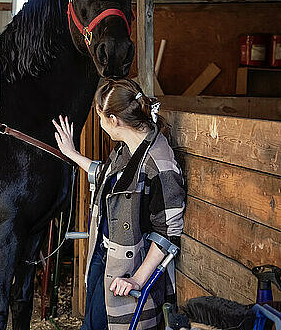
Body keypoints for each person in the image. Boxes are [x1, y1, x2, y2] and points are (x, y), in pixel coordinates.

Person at [53, 78, 186, 330]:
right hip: (105, 259)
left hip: (127, 272)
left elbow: (168, 231)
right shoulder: (128, 148)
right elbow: (107, 176)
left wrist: (137, 280)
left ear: (113, 120)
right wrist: (72, 154)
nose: (101, 124)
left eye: (101, 118)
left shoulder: (160, 164)